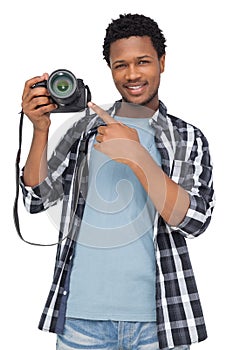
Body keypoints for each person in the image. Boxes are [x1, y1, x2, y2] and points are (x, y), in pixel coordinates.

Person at [20, 13, 215, 350]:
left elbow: (194, 220)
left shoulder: (186, 137)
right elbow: (37, 199)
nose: (132, 74)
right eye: (120, 65)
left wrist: (136, 155)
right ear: (110, 68)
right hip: (81, 321)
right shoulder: (84, 129)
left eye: (143, 62)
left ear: (162, 62)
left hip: (159, 323)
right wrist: (40, 130)